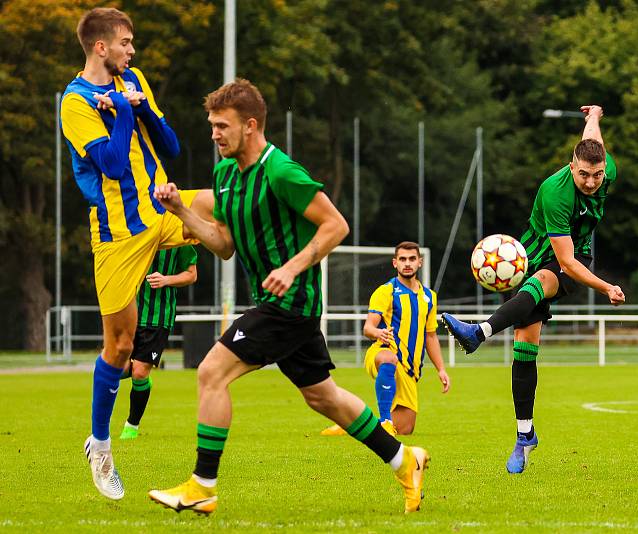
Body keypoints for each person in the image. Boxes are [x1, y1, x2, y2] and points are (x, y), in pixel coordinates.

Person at [147, 79, 430, 515]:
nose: (214, 134)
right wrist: (183, 212)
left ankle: (202, 485)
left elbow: (336, 225)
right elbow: (222, 246)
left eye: (222, 126)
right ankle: (404, 459)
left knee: (211, 372)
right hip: (279, 304)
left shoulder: (282, 172)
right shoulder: (224, 174)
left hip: (290, 303)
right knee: (324, 397)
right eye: (212, 126)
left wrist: (291, 267)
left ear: (251, 125)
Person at [60, 7, 212, 500]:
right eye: (126, 42)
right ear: (101, 47)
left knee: (224, 202)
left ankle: (280, 285)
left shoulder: (133, 79)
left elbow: (170, 145)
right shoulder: (74, 102)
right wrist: (123, 113)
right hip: (116, 233)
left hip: (161, 205)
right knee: (120, 347)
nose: (132, 50)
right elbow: (108, 163)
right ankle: (100, 446)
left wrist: (139, 105)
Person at [442, 105, 625, 474]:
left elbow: (592, 142)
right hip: (539, 255)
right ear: (572, 167)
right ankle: (525, 436)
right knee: (525, 349)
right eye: (585, 175)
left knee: (543, 282)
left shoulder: (604, 170)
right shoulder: (555, 194)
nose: (592, 182)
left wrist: (594, 117)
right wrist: (608, 287)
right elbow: (564, 259)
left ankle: (479, 332)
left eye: (597, 175)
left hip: (569, 261)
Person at [322, 241, 450, 437]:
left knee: (406, 428)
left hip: (410, 368)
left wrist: (441, 369)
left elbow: (430, 336)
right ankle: (385, 421)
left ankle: (349, 426)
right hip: (383, 353)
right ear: (395, 263)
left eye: (412, 259)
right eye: (403, 259)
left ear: (420, 262)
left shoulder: (429, 297)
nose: (407, 263)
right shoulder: (386, 291)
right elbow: (368, 327)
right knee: (389, 358)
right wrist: (377, 332)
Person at [119, 246, 198, 440]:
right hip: (128, 312)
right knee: (115, 369)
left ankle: (131, 425)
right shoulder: (135, 227)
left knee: (138, 372)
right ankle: (142, 379)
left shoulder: (178, 233)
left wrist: (166, 279)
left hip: (157, 317)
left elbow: (191, 275)